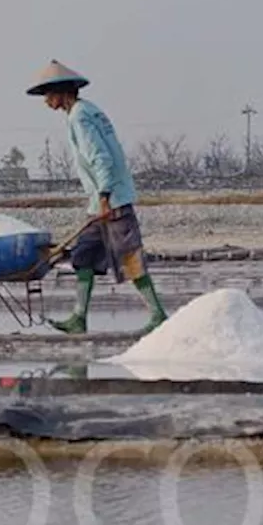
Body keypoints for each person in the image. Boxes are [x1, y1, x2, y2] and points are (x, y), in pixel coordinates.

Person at [25, 60, 168, 335]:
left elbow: (101, 158)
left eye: (48, 94)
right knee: (84, 254)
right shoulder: (89, 111)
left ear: (61, 91)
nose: (46, 101)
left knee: (129, 257)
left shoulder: (80, 116)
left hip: (111, 202)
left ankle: (158, 314)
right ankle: (79, 317)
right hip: (99, 204)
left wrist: (104, 195)